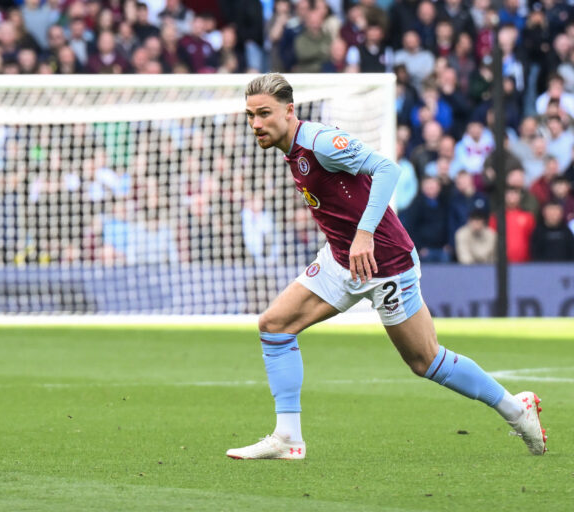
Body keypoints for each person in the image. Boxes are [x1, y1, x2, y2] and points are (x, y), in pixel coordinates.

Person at [226, 73, 546, 460]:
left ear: (289, 111)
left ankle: (516, 409)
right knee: (274, 326)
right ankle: (288, 437)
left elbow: (386, 169)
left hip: (385, 261)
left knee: (424, 360)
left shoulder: (321, 142)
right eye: (250, 115)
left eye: (264, 113)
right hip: (340, 259)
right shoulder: (290, 149)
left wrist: (363, 233)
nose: (256, 123)